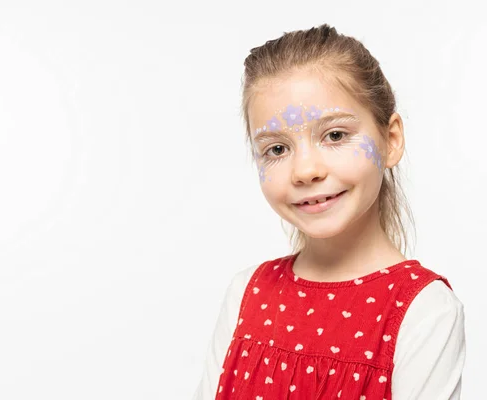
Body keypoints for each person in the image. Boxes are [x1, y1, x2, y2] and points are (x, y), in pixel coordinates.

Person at [192, 24, 466, 399]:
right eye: (277, 149)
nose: (305, 171)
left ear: (391, 140)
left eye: (335, 135)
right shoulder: (245, 295)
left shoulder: (424, 311)